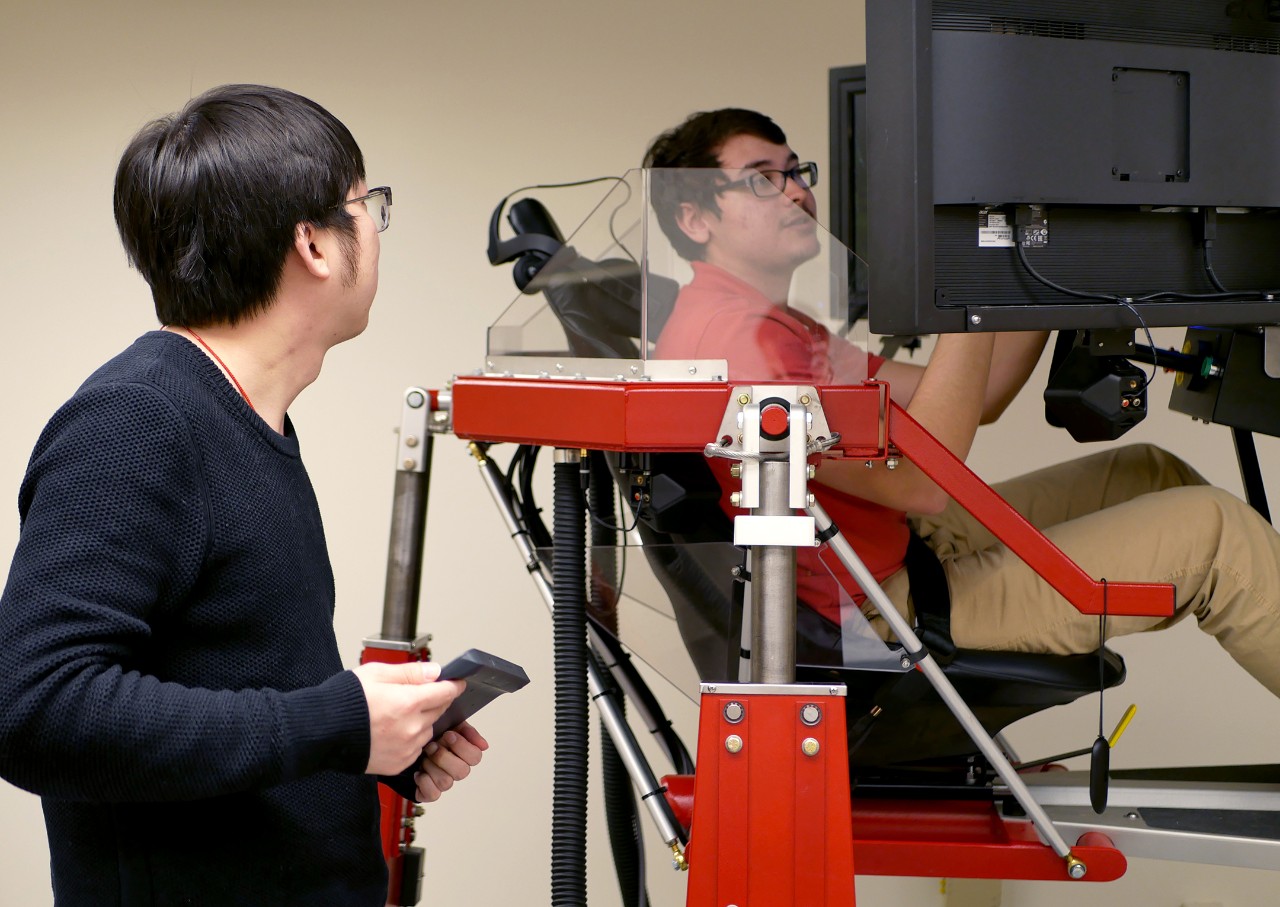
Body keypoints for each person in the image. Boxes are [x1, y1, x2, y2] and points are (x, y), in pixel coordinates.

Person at [0, 84, 486, 905]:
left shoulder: (240, 416)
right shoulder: (138, 421)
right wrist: (336, 722)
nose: (376, 228)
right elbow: (37, 708)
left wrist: (371, 740)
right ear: (316, 244)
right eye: (369, 206)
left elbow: (232, 693)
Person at [643, 107, 1280, 697]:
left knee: (1147, 471)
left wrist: (1036, 259)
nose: (797, 192)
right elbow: (924, 481)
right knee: (1215, 534)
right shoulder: (735, 344)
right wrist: (963, 290)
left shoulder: (774, 324)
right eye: (760, 180)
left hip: (902, 543)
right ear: (696, 219)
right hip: (881, 607)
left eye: (794, 173)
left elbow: (977, 396)